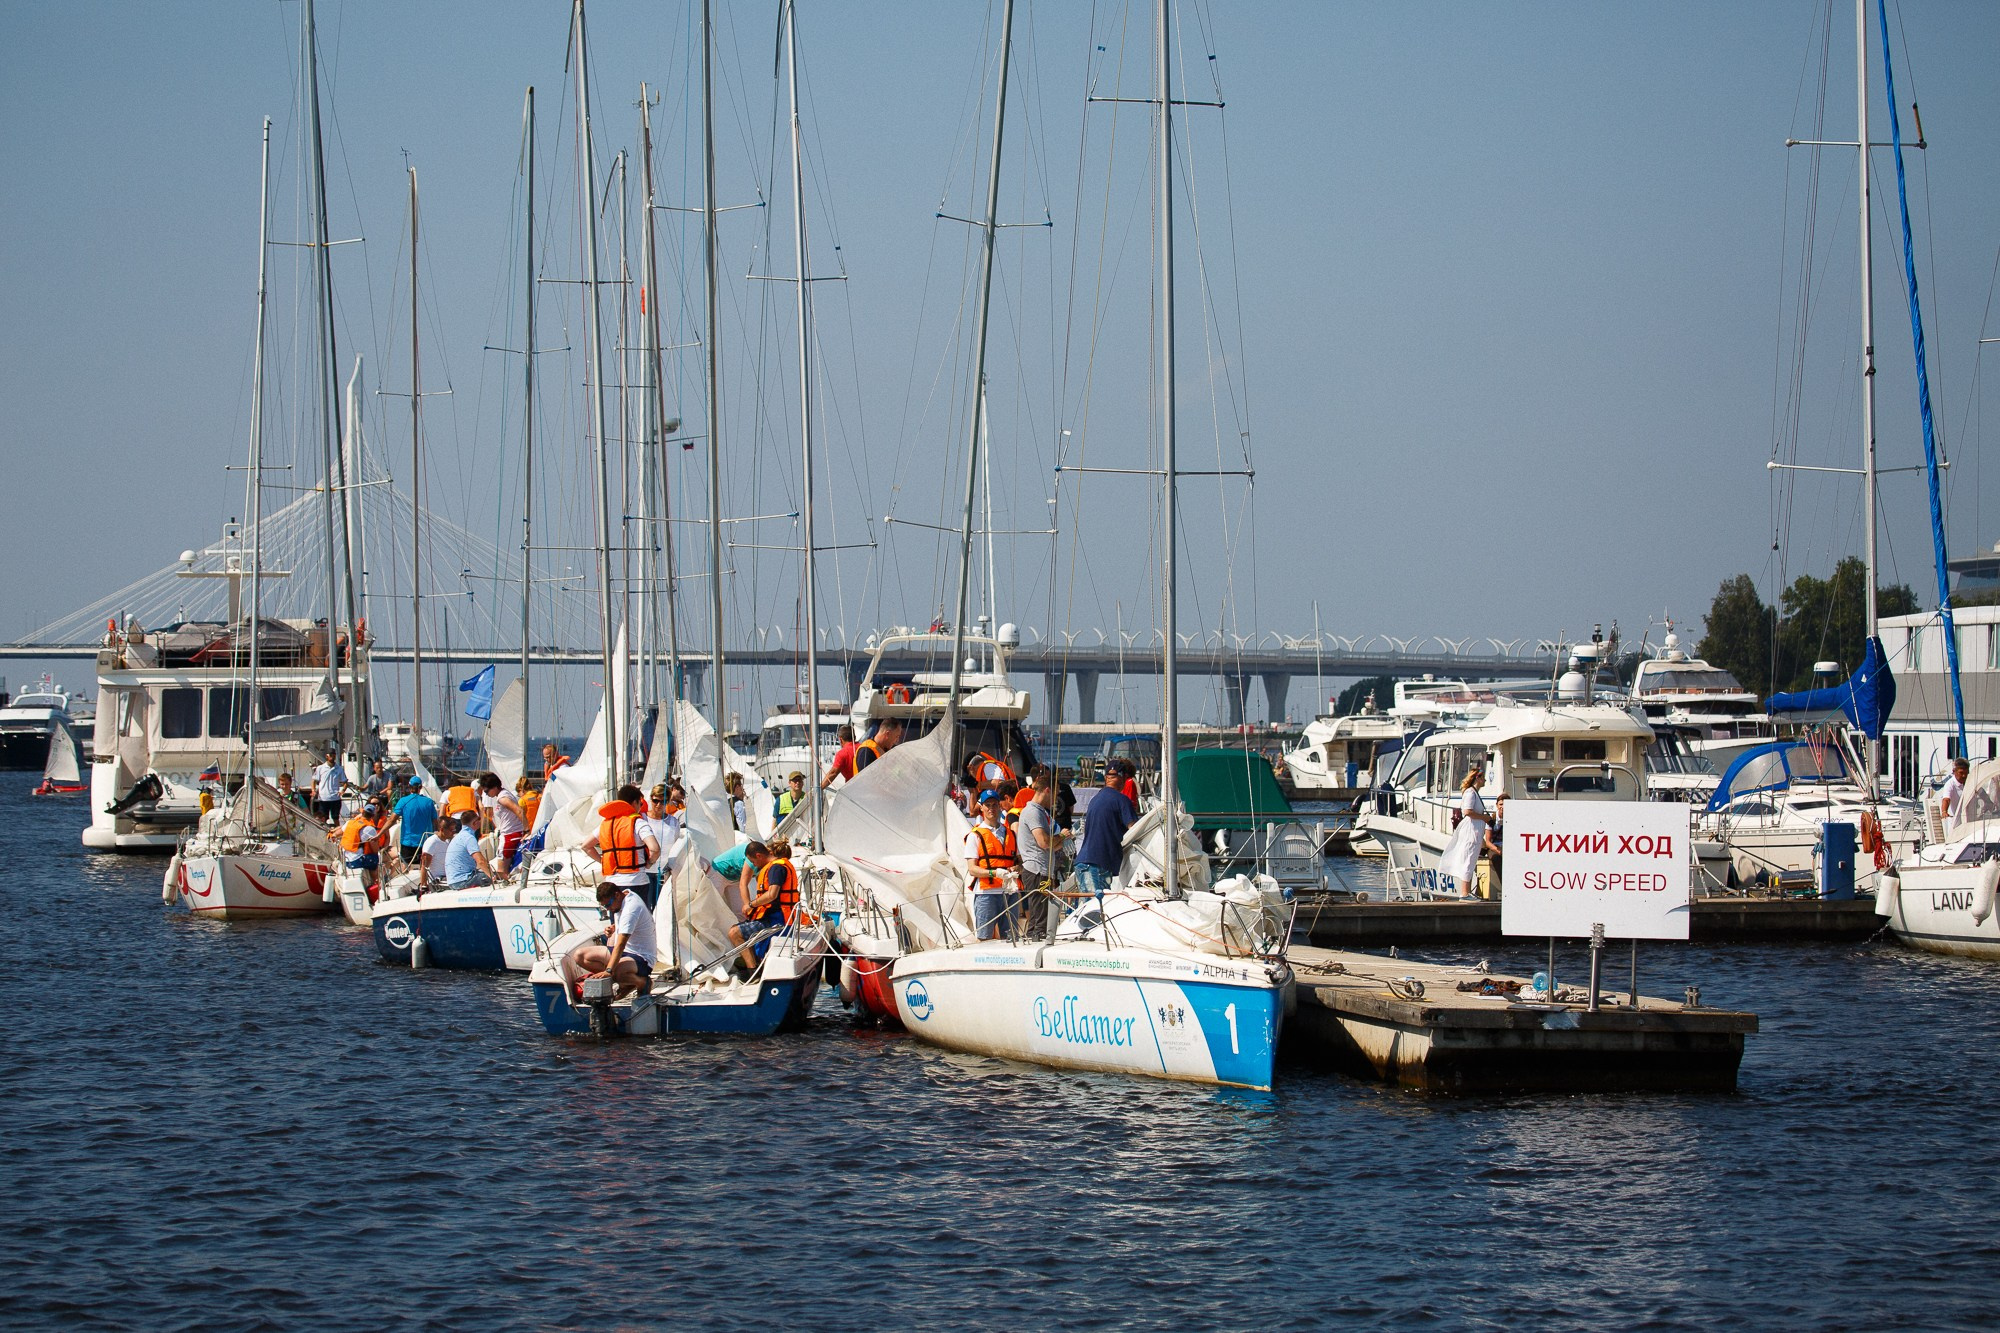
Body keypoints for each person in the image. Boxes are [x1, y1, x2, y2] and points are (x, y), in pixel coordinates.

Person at [572, 879, 658, 1000]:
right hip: (625, 953)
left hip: (642, 957)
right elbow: (628, 925)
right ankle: (626, 983)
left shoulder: (631, 908)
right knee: (580, 956)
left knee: (615, 971)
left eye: (608, 905)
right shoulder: (623, 897)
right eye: (604, 906)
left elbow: (621, 944)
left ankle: (642, 982)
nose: (608, 909)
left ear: (617, 895)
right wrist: (614, 927)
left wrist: (608, 971)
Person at [583, 784, 661, 910]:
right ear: (635, 803)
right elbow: (654, 848)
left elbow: (586, 846)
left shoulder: (605, 824)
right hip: (637, 882)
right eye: (640, 804)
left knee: (618, 926)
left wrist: (603, 861)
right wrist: (649, 863)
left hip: (613, 885)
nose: (640, 808)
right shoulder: (638, 823)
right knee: (639, 925)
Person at [727, 840, 792, 976]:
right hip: (772, 916)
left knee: (734, 933)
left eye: (753, 862)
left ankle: (753, 972)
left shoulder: (776, 868)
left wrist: (750, 904)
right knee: (738, 929)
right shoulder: (774, 866)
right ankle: (756, 965)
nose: (754, 866)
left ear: (758, 856)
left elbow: (772, 894)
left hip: (777, 919)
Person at [1074, 764, 1135, 902]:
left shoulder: (1095, 799)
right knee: (1095, 911)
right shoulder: (1122, 800)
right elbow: (1135, 830)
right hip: (1096, 864)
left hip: (1087, 862)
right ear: (1123, 778)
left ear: (1107, 777)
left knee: (1092, 910)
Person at [1016, 768, 1064, 938]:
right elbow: (1044, 842)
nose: (1056, 799)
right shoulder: (1033, 812)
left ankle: (1034, 939)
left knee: (1040, 915)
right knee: (1040, 916)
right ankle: (1036, 942)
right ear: (1047, 790)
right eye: (1055, 793)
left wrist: (1060, 839)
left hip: (1042, 871)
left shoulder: (1040, 813)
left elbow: (1053, 846)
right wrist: (1062, 835)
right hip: (1037, 871)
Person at [965, 789, 1019, 941]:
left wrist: (1017, 868)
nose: (991, 809)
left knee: (1012, 938)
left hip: (1009, 891)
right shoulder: (974, 835)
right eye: (987, 805)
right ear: (981, 807)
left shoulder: (1011, 834)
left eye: (994, 805)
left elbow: (1019, 861)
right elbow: (972, 869)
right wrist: (994, 873)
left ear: (1000, 806)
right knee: (985, 938)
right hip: (986, 894)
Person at [477, 772, 528, 871]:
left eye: (487, 791)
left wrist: (527, 830)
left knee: (501, 871)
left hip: (509, 835)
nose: (486, 794)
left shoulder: (502, 798)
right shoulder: (505, 793)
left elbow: (519, 811)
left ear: (495, 787)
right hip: (512, 834)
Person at [387, 775, 438, 871]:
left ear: (409, 787)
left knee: (405, 867)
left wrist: (379, 834)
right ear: (420, 788)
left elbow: (392, 820)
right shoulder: (429, 802)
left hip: (408, 842)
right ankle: (424, 885)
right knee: (425, 867)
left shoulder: (403, 801)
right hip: (425, 842)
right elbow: (435, 822)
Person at [340, 799, 387, 893]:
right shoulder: (369, 829)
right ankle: (377, 883)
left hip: (346, 859)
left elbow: (340, 832)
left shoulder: (350, 823)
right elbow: (375, 850)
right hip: (357, 861)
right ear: (373, 816)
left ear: (362, 812)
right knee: (375, 859)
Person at [439, 811, 494, 889]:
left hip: (453, 881)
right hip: (463, 881)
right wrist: (494, 877)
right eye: (479, 819)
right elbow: (481, 861)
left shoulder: (459, 836)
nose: (480, 821)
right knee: (498, 875)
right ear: (474, 823)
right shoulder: (469, 838)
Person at [640, 785, 682, 880]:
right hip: (644, 873)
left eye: (662, 802)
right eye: (655, 801)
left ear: (667, 802)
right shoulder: (642, 818)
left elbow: (676, 847)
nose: (658, 805)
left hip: (665, 873)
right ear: (651, 799)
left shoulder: (674, 822)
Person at [311, 749, 346, 823]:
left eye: (334, 755)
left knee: (336, 818)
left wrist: (342, 791)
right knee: (323, 819)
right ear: (327, 756)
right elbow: (314, 780)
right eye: (331, 755)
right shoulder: (320, 768)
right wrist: (313, 790)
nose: (332, 757)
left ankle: (337, 833)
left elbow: (345, 782)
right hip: (324, 798)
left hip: (335, 798)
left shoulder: (339, 769)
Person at [821, 724, 859, 789]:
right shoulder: (863, 747)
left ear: (840, 740)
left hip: (853, 788)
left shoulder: (842, 753)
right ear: (854, 737)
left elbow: (833, 773)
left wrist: (819, 788)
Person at [1942, 757, 1971, 823]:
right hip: (1955, 823)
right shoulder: (1950, 784)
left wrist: (1988, 802)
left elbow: (1981, 792)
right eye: (1961, 773)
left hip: (1969, 821)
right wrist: (1944, 811)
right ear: (1954, 771)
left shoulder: (1970, 781)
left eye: (1966, 773)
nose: (1964, 776)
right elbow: (1946, 799)